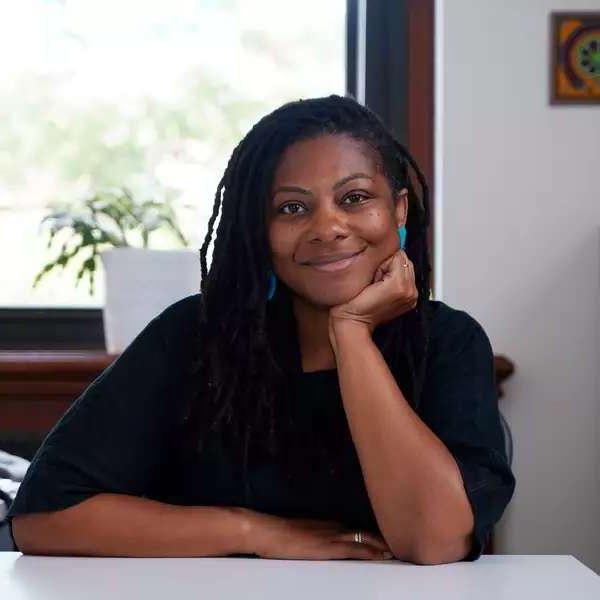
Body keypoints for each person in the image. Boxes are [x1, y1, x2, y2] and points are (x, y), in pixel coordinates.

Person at [8, 94, 515, 564]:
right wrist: (255, 532)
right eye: (292, 208)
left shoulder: (449, 342)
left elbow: (434, 541)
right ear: (259, 230)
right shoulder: (196, 335)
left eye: (355, 198)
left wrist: (352, 332)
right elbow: (44, 519)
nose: (327, 227)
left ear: (398, 210)